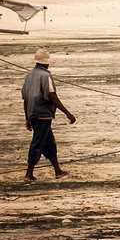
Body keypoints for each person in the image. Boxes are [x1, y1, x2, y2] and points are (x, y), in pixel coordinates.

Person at [21, 48, 76, 181]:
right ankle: (29, 173)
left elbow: (25, 98)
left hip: (33, 113)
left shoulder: (29, 75)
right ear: (46, 63)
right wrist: (68, 113)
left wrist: (27, 117)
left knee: (49, 142)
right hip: (43, 114)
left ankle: (58, 171)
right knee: (38, 143)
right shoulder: (46, 76)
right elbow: (52, 96)